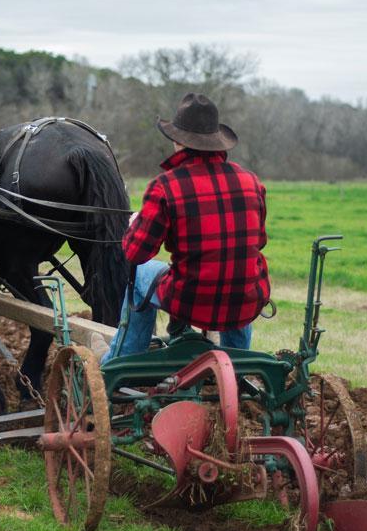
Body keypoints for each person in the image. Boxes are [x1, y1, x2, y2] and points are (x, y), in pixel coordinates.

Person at [97, 92, 270, 364]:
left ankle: (125, 357)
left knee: (142, 272)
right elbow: (259, 241)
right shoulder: (251, 181)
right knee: (239, 269)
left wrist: (135, 225)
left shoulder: (166, 186)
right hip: (245, 299)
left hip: (190, 300)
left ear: (178, 141)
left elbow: (136, 253)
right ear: (216, 141)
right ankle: (239, 359)